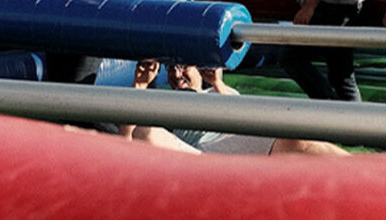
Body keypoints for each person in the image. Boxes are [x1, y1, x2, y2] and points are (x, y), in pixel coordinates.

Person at [122, 60, 349, 156]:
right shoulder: (161, 102)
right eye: (172, 69)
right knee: (145, 132)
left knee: (296, 140)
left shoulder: (216, 92)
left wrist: (217, 83)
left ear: (199, 70)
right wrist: (139, 85)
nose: (177, 74)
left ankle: (368, 176)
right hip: (196, 152)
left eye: (184, 67)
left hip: (232, 139)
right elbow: (126, 142)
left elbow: (244, 117)